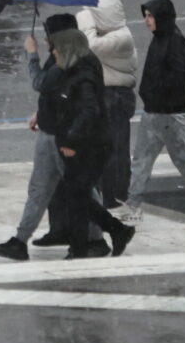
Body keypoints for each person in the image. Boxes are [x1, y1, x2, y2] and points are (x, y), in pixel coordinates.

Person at [0, 15, 108, 261]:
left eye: (48, 35)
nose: (45, 40)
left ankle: (98, 237)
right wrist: (41, 113)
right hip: (52, 133)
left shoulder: (71, 60)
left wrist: (31, 54)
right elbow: (56, 95)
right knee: (41, 188)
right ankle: (20, 240)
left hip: (62, 137)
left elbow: (43, 84)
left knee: (79, 190)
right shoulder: (64, 56)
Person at [122, 0, 185, 223]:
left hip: (167, 114)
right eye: (145, 15)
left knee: (179, 159)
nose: (146, 21)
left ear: (161, 17)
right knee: (143, 159)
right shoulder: (160, 39)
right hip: (154, 111)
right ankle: (133, 204)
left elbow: (179, 76)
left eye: (150, 16)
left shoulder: (175, 41)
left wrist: (158, 97)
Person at [50, 29, 136, 259]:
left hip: (89, 146)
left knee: (76, 194)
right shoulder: (77, 71)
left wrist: (71, 140)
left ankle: (107, 234)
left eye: (56, 49)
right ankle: (89, 242)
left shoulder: (83, 77)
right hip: (88, 143)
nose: (53, 53)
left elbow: (88, 112)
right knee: (76, 194)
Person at [77, 0, 138, 210]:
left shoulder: (122, 37)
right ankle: (106, 193)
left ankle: (116, 196)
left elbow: (91, 46)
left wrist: (85, 20)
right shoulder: (111, 36)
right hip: (105, 97)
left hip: (115, 98)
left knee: (116, 151)